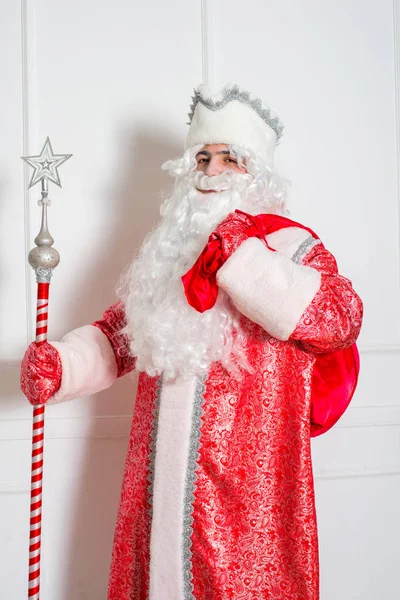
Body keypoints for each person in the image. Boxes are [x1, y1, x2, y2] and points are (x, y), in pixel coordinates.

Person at [21, 83, 363, 600]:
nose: (210, 170)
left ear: (257, 173)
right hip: (156, 490)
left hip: (248, 503)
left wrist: (241, 259)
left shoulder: (290, 247)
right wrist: (62, 366)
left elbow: (340, 316)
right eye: (202, 156)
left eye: (229, 158)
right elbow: (120, 334)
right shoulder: (168, 254)